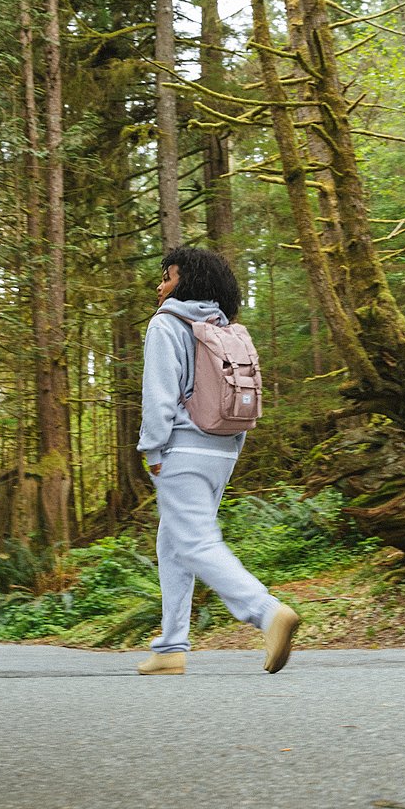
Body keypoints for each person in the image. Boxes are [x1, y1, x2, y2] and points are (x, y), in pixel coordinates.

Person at [136, 245, 299, 675]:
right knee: (173, 541)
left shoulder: (167, 324)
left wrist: (152, 451)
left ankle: (266, 612)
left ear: (185, 282)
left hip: (182, 449)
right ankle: (171, 647)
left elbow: (159, 395)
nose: (161, 285)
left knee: (195, 542)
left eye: (167, 277)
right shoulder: (222, 325)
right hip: (224, 448)